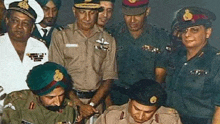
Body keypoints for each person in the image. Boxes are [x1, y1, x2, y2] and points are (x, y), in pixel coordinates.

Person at [49, 0, 118, 122]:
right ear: (74, 11)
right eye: (82, 12)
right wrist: (79, 105)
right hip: (68, 103)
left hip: (96, 105)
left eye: (92, 13)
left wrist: (90, 106)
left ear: (97, 13)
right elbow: (57, 75)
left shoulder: (108, 38)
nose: (87, 18)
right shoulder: (61, 35)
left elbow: (108, 79)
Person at [165, 6, 220, 124]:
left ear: (208, 32)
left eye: (194, 30)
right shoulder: (175, 56)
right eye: (184, 30)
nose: (187, 35)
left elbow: (219, 109)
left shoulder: (216, 61)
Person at [109, 0, 170, 105]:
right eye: (128, 15)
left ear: (147, 11)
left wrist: (153, 97)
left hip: (146, 97)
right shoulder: (112, 34)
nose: (132, 20)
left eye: (137, 15)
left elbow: (161, 72)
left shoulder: (160, 37)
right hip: (117, 96)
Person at [0, 0, 48, 107]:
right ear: (7, 20)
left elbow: (44, 80)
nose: (19, 26)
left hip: (32, 109)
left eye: (25, 23)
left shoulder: (40, 47)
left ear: (32, 28)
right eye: (15, 21)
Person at [1, 62, 77, 124]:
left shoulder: (69, 109)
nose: (58, 103)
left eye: (61, 95)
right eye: (51, 97)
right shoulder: (17, 102)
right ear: (37, 93)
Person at [95, 79, 182, 124]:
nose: (140, 117)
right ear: (129, 101)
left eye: (148, 112)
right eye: (136, 109)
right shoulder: (112, 116)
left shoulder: (168, 119)